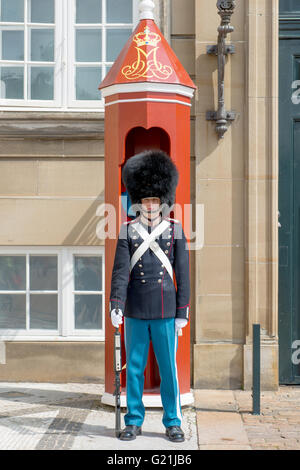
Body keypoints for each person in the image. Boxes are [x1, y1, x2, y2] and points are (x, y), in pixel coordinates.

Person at [109, 149, 190, 442]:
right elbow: (120, 272)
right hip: (135, 309)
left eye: (155, 200)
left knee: (169, 369)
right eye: (146, 200)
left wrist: (182, 312)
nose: (151, 205)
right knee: (134, 369)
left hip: (166, 310)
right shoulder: (127, 231)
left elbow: (183, 273)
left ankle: (172, 421)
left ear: (163, 201)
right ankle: (133, 420)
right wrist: (116, 304)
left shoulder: (175, 230)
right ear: (138, 202)